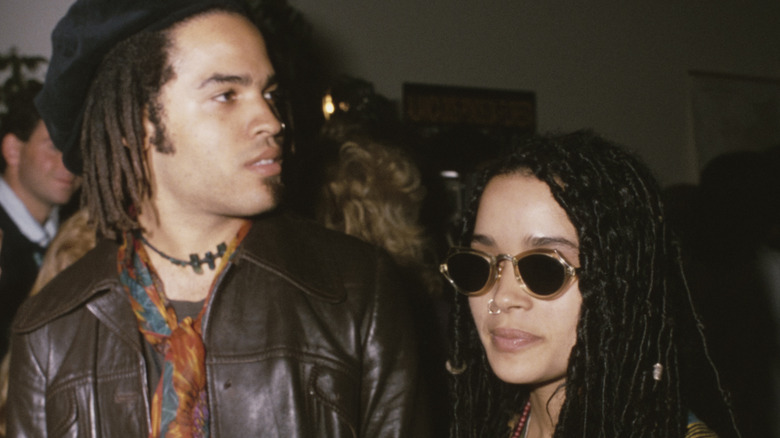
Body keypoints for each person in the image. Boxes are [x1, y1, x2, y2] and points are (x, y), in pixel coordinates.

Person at [7, 0, 427, 436]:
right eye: (226, 95)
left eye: (269, 94)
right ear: (137, 123)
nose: (270, 120)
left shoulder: (356, 292)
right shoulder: (51, 330)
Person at [440, 131, 740, 437]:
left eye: (544, 269)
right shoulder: (490, 423)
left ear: (619, 284)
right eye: (480, 264)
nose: (502, 297)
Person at [0, 81, 79, 359]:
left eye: (74, 149)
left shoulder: (76, 235)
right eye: (53, 146)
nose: (69, 163)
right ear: (12, 151)